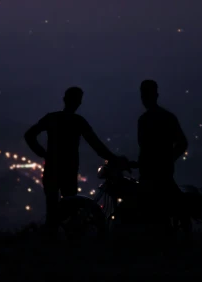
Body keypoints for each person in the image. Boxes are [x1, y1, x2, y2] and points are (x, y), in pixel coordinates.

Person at [25, 87, 126, 233]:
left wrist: (43, 153)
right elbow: (96, 145)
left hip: (52, 169)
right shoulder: (77, 121)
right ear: (78, 102)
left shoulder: (52, 118)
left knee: (53, 211)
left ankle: (49, 242)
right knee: (70, 212)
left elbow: (29, 135)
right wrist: (114, 158)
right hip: (69, 171)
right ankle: (67, 246)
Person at [136, 79, 188, 234]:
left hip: (150, 174)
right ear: (156, 95)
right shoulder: (167, 117)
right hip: (162, 173)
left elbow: (143, 146)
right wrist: (168, 160)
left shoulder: (144, 120)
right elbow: (182, 143)